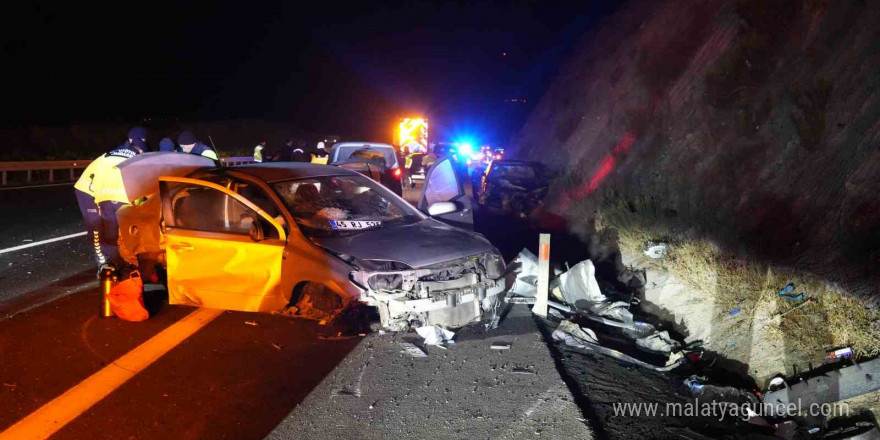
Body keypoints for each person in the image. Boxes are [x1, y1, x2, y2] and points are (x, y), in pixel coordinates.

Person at [73, 127, 147, 267]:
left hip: (104, 187)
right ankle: (101, 257)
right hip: (87, 189)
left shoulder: (124, 154)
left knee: (111, 224)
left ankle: (114, 256)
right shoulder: (131, 159)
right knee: (96, 224)